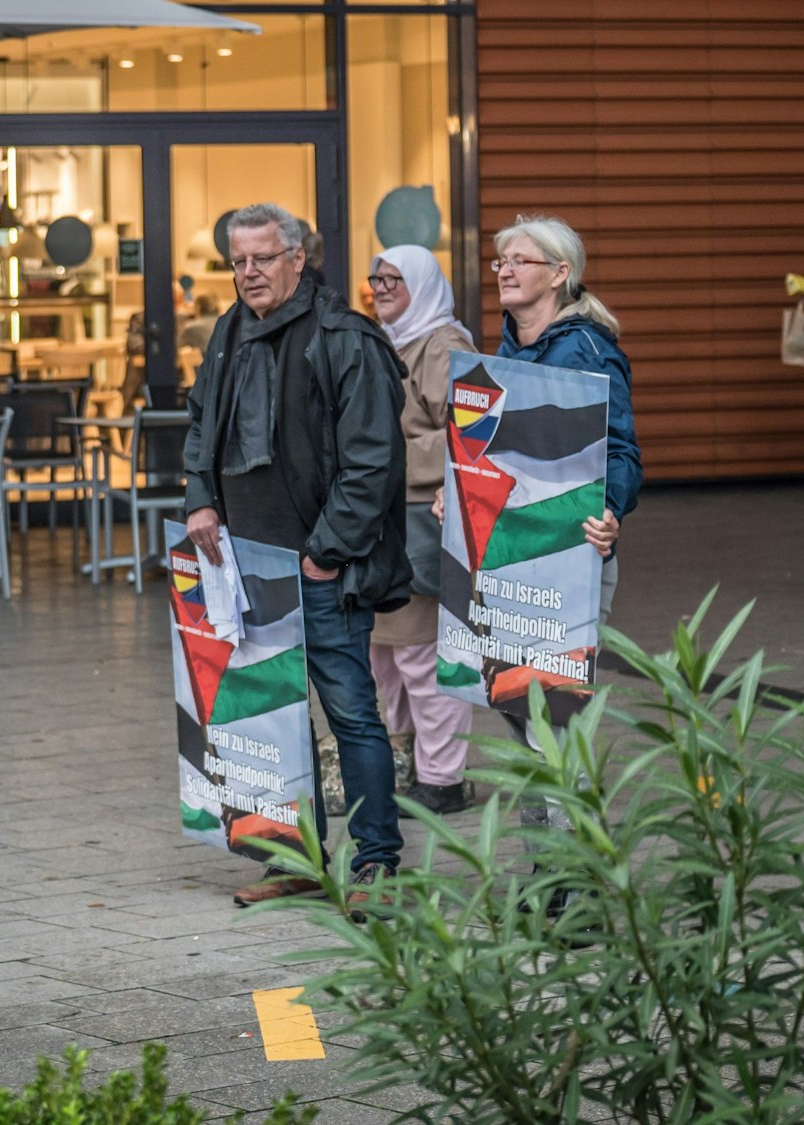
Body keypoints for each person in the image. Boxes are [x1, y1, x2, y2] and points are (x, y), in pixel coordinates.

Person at [182, 201, 413, 915]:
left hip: (318, 571)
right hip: (246, 568)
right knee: (272, 718)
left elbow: (373, 462)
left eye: (262, 258)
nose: (248, 272)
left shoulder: (344, 337)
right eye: (237, 261)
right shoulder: (230, 331)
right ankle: (297, 861)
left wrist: (324, 554)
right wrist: (200, 498)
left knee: (351, 715)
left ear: (297, 258)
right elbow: (202, 423)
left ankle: (377, 863)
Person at [438, 213, 641, 910]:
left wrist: (610, 508)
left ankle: (579, 889)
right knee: (523, 717)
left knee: (555, 724)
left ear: (560, 274)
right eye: (501, 260)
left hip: (568, 563)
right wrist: (455, 488)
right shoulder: (506, 353)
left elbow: (621, 450)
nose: (504, 270)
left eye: (520, 260)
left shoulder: (586, 351)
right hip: (507, 564)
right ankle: (552, 874)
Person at [365, 245, 478, 815]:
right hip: (384, 524)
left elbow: (472, 429)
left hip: (420, 523)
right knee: (385, 656)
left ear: (424, 284)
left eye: (394, 279)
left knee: (421, 655)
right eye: (376, 279)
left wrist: (381, 454)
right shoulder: (392, 340)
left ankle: (443, 779)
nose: (382, 288)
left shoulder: (443, 344)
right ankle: (408, 765)